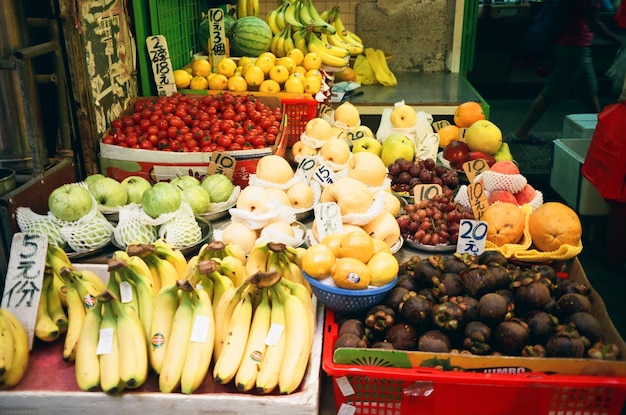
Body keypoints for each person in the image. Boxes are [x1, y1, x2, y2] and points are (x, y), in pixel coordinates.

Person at [511, 0, 624, 144]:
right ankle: (522, 132)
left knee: (589, 90)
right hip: (573, 47)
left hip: (574, 44)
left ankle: (601, 134)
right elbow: (593, 23)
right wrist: (618, 40)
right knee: (552, 92)